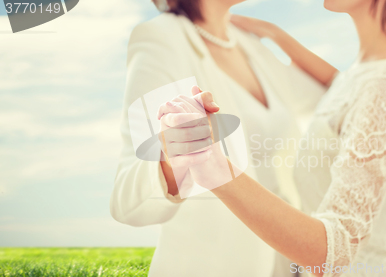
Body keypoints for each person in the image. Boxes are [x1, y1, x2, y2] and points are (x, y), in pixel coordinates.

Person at [159, 0, 386, 276]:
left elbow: (333, 252)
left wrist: (211, 163)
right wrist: (275, 34)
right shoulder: (368, 75)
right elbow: (340, 85)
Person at [110, 0, 327, 276]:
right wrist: (172, 160)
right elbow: (126, 202)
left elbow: (338, 96)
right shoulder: (161, 38)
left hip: (291, 263)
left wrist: (276, 34)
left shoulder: (249, 44)